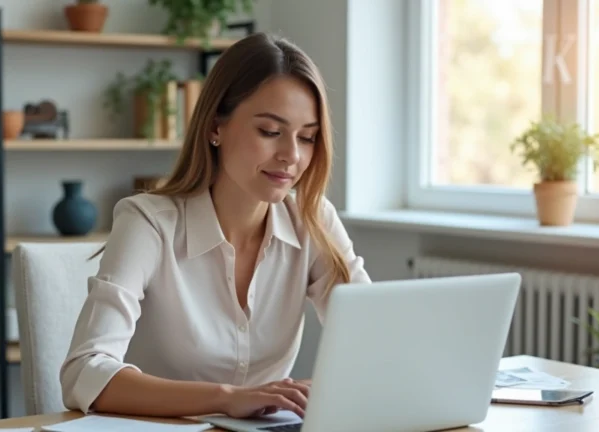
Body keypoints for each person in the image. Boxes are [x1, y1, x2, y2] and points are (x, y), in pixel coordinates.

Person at [59, 31, 371, 420]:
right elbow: (83, 373)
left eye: (307, 138)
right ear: (215, 128)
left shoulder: (312, 220)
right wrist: (226, 398)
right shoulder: (148, 223)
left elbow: (375, 339)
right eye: (270, 132)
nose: (291, 155)